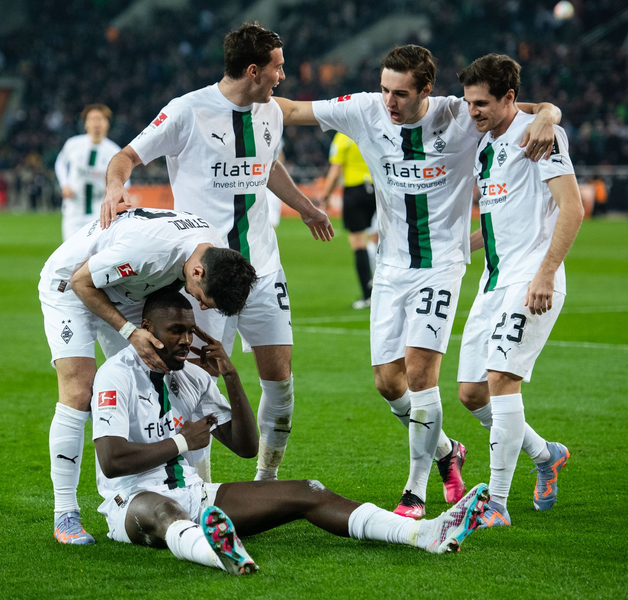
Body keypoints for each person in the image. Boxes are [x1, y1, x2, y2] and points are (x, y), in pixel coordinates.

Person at [274, 44, 562, 518]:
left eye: (401, 93)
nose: (389, 101)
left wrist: (548, 111)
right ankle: (452, 450)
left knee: (422, 374)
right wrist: (232, 99)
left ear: (427, 89)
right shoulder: (364, 109)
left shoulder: (460, 116)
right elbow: (289, 109)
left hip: (441, 266)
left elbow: (525, 110)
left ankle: (414, 490)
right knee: (390, 384)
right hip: (390, 269)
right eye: (385, 89)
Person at [92, 288, 491, 573]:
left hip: (197, 496)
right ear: (146, 329)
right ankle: (220, 554)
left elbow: (246, 448)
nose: (184, 340)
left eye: (189, 330)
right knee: (163, 509)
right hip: (131, 504)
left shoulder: (194, 377)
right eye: (174, 331)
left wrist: (230, 376)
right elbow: (111, 462)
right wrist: (181, 441)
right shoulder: (115, 376)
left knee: (309, 491)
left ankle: (424, 533)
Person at [101, 22, 335, 482]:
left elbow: (266, 166)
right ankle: (199, 491)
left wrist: (305, 207)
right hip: (204, 277)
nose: (283, 77)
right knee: (194, 385)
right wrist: (115, 187)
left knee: (281, 383)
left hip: (263, 269)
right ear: (253, 70)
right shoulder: (187, 111)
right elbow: (126, 157)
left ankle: (265, 482)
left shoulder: (269, 112)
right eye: (278, 68)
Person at [39, 207, 257, 544]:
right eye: (202, 297)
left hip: (123, 288)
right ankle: (65, 514)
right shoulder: (150, 251)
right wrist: (129, 331)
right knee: (80, 389)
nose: (200, 305)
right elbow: (82, 281)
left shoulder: (211, 249)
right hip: (72, 285)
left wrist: (178, 346)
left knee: (156, 369)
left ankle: (160, 488)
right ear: (198, 272)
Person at [456, 54, 582, 527]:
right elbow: (499, 221)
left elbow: (572, 209)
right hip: (493, 281)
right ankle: (546, 454)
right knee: (472, 392)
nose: (473, 113)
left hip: (530, 278)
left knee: (502, 381)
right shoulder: (488, 143)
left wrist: (546, 273)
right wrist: (459, 247)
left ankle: (498, 504)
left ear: (510, 98)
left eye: (482, 103)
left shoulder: (538, 135)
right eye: (470, 103)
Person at [320, 132, 376, 308]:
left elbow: (335, 170)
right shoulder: (372, 130)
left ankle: (368, 294)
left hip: (354, 191)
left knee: (358, 243)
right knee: (381, 240)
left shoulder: (342, 138)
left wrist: (325, 197)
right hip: (378, 189)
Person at [55, 104, 127, 240]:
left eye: (100, 119)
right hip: (73, 209)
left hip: (99, 211)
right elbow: (60, 163)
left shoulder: (114, 152)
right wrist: (64, 184)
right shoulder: (73, 144)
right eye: (92, 119)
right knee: (71, 252)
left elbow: (126, 179)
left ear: (107, 123)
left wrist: (114, 191)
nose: (96, 123)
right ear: (85, 123)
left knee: (94, 255)